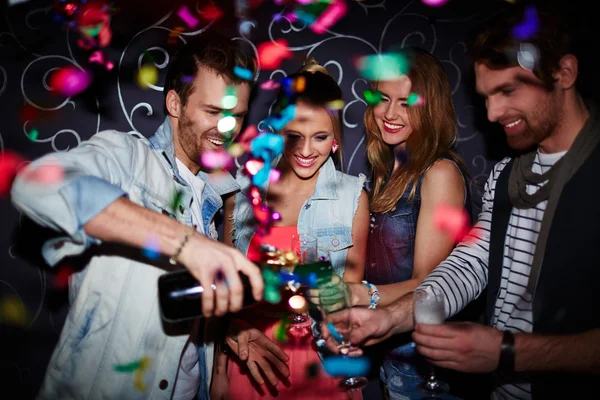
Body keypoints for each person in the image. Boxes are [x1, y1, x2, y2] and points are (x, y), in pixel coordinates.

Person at [322, 3, 600, 399]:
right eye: (486, 96)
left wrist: (506, 352)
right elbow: (465, 269)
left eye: (507, 91)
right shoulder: (504, 177)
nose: (492, 112)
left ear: (565, 73)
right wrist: (386, 319)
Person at [10, 32, 266, 400]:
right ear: (175, 104)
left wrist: (225, 330)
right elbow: (35, 184)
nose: (226, 129)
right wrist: (185, 242)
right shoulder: (128, 157)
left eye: (237, 117)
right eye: (214, 112)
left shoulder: (223, 200)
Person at [212, 60, 370, 399]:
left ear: (337, 138)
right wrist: (219, 371)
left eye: (321, 137)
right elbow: (226, 294)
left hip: (322, 364)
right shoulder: (242, 195)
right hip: (253, 359)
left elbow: (352, 297)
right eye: (294, 136)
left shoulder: (353, 197)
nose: (306, 150)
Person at [346, 47, 471, 399]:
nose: (389, 112)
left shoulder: (440, 172)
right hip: (391, 353)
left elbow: (430, 285)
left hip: (426, 367)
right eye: (383, 98)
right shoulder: (387, 170)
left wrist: (362, 294)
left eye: (406, 102)